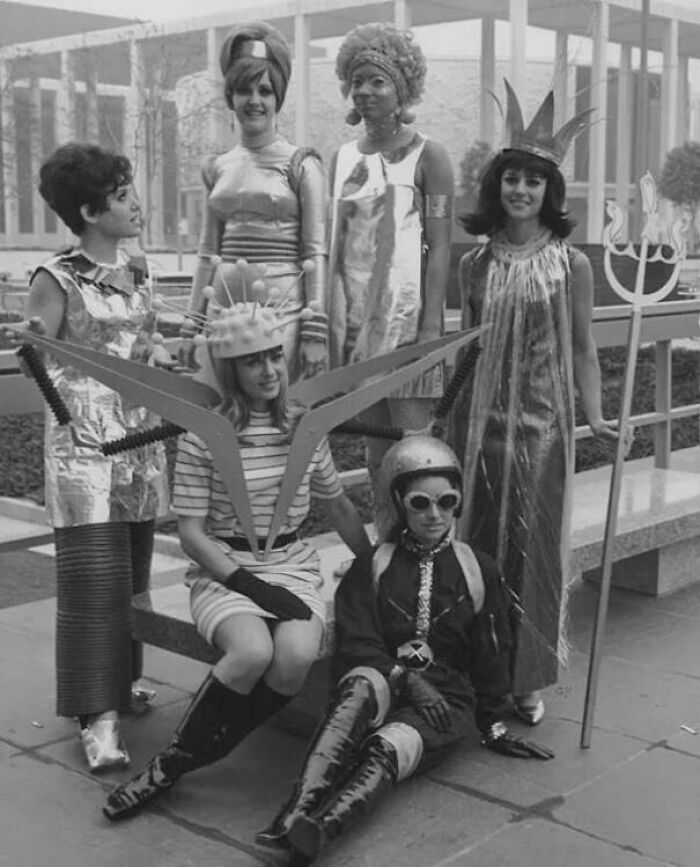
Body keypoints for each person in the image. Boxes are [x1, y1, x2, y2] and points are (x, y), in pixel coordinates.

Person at [103, 298, 372, 820]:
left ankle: (196, 751)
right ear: (230, 369)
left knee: (294, 657)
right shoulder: (206, 434)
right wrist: (251, 586)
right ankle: (168, 768)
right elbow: (192, 535)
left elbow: (336, 502)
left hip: (292, 564)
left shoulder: (305, 427)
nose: (269, 370)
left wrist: (373, 560)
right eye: (253, 361)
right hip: (224, 570)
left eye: (275, 355)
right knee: (251, 652)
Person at [256, 435, 553, 865]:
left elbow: (493, 647)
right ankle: (294, 813)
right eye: (420, 503)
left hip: (444, 699)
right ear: (399, 502)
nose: (435, 515)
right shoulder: (372, 564)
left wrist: (491, 723)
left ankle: (321, 830)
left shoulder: (478, 567)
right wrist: (404, 678)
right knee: (356, 692)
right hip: (382, 677)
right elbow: (358, 642)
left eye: (447, 502)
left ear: (458, 503)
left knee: (389, 749)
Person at [448, 82, 618, 726]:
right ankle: (474, 669)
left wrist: (596, 414)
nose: (521, 190)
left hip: (541, 433)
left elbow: (582, 350)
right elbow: (466, 349)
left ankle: (525, 680)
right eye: (512, 178)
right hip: (477, 430)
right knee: (475, 548)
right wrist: (447, 419)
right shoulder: (478, 263)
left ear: (551, 192)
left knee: (531, 551)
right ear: (499, 186)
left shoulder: (571, 264)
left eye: (534, 182)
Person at [9, 143, 169, 771]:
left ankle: (121, 689)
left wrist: (165, 351)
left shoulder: (140, 269)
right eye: (122, 193)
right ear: (88, 210)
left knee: (132, 573)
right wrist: (34, 339)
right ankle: (92, 714)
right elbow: (37, 346)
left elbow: (143, 339)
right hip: (83, 446)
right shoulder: (56, 276)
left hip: (141, 442)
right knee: (91, 581)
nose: (135, 203)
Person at [326, 22, 455, 528]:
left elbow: (441, 244)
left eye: (378, 80)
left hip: (410, 328)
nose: (366, 90)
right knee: (375, 448)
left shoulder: (431, 155)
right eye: (358, 80)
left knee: (416, 447)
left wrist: (430, 327)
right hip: (359, 330)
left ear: (402, 86)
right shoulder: (340, 158)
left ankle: (425, 549)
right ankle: (385, 545)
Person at [186, 20, 328, 382]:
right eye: (244, 90)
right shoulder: (216, 167)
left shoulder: (302, 164)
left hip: (286, 320)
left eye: (264, 91)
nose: (254, 101)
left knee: (281, 425)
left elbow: (315, 252)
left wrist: (315, 332)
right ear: (230, 97)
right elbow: (207, 252)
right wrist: (192, 325)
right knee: (220, 420)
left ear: (277, 97)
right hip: (221, 318)